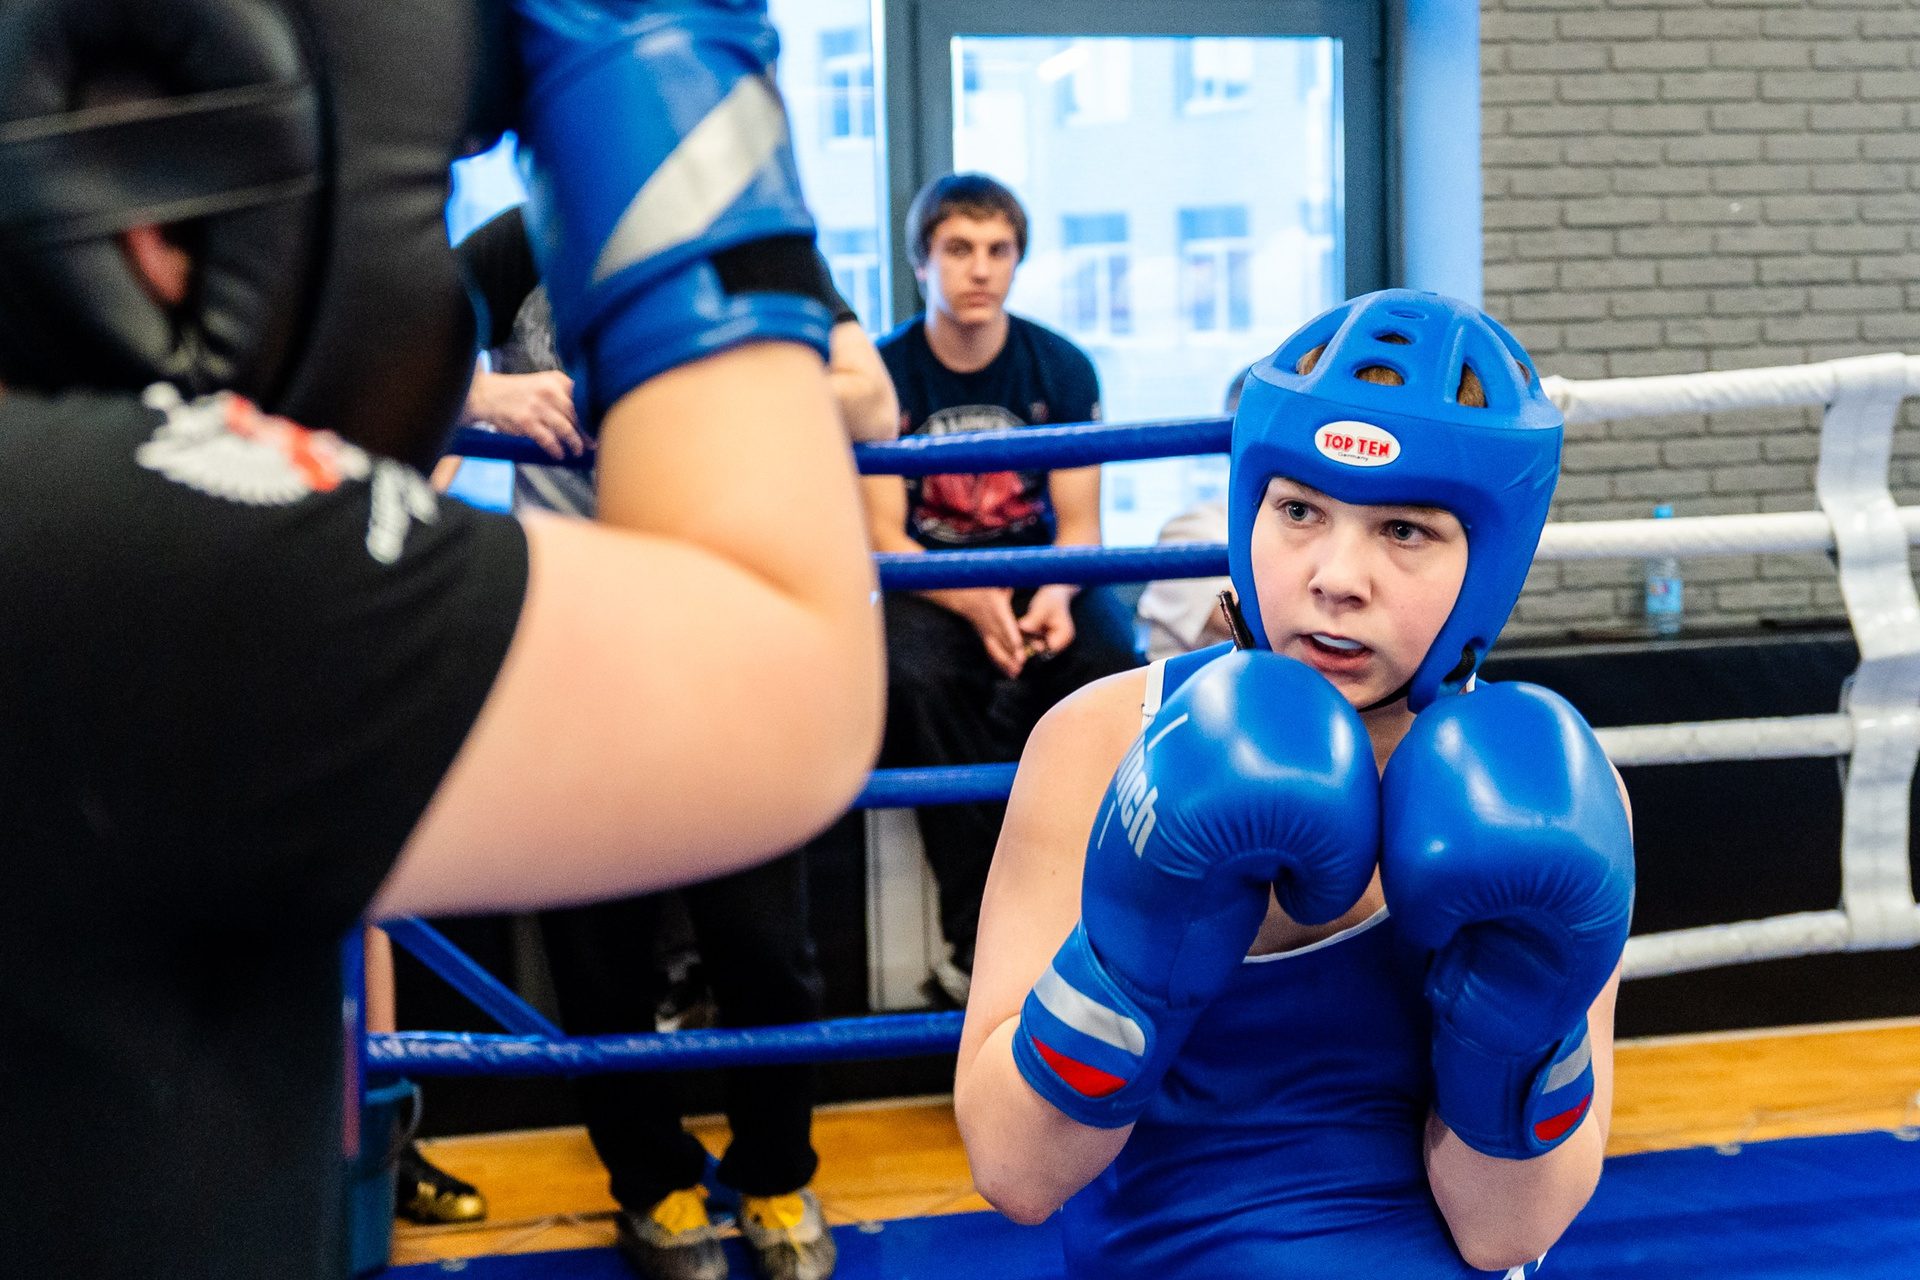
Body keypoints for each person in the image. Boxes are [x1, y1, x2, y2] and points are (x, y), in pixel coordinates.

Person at [0, 2, 884, 1277]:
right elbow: (785, 681)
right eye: (393, 209)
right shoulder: (114, 552)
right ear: (155, 226)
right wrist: (659, 55)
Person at [954, 291, 1636, 1276]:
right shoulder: (1102, 742)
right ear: (1248, 510)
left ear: (1491, 562)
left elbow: (1506, 1231)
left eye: (1405, 529)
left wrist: (1513, 1027)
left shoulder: (1551, 798)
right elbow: (1014, 1170)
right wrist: (1131, 961)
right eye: (1301, 510)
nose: (1336, 576)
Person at [447, 204, 895, 1280]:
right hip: (570, 640)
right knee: (599, 955)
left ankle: (776, 1174)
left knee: (764, 946)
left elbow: (873, 401)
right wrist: (485, 393)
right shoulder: (521, 240)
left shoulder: (747, 231)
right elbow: (373, 359)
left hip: (722, 635)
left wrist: (722, 393)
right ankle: (652, 1186)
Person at [871, 173, 1138, 1004]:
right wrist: (968, 595)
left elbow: (1081, 526)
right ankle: (977, 938)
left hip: (1040, 577)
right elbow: (882, 534)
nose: (980, 269)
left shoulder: (1061, 365)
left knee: (1111, 664)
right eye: (958, 250)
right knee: (914, 679)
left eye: (998, 250)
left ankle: (1101, 930)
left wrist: (1053, 597)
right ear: (922, 263)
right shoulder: (884, 374)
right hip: (932, 582)